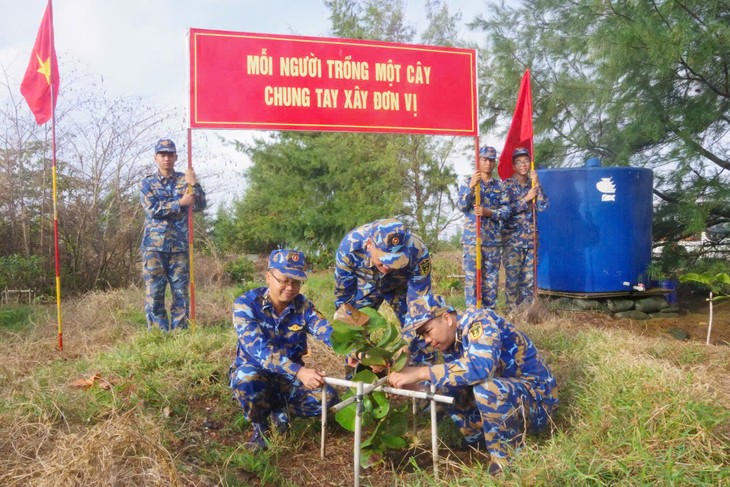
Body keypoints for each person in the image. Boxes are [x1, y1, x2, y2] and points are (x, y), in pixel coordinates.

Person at [388, 294, 558, 474]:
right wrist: (414, 387)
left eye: (427, 331)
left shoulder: (479, 322)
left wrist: (420, 372)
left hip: (538, 400)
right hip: (512, 395)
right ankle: (479, 440)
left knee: (486, 389)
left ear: (446, 318)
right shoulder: (450, 339)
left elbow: (481, 367)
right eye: (422, 335)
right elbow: (454, 376)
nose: (426, 340)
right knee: (445, 384)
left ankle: (506, 459)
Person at [229, 249, 339, 450]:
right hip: (257, 375)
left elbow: (326, 331)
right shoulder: (246, 305)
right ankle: (261, 427)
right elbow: (261, 352)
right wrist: (300, 372)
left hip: (287, 380)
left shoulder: (303, 306)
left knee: (328, 397)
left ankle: (280, 411)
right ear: (269, 277)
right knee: (246, 380)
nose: (290, 287)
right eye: (285, 280)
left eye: (296, 282)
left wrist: (352, 350)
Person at [140, 138, 206, 331]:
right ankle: (158, 333)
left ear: (176, 157)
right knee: (155, 292)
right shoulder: (148, 183)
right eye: (162, 155)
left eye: (170, 154)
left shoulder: (184, 181)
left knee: (180, 293)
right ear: (156, 158)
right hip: (154, 247)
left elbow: (201, 205)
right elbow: (152, 209)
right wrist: (180, 203)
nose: (166, 158)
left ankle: (180, 333)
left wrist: (195, 184)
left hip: (179, 247)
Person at [334, 218, 432, 328]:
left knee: (420, 325)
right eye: (383, 259)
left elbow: (420, 298)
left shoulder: (417, 250)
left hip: (400, 285)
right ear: (369, 244)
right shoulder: (349, 247)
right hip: (367, 284)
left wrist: (416, 328)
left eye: (394, 261)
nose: (387, 267)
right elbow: (344, 296)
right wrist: (347, 321)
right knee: (355, 326)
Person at [457, 146, 509, 308]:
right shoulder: (468, 183)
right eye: (484, 159)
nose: (488, 163)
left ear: (494, 163)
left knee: (491, 280)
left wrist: (489, 213)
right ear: (478, 161)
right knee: (472, 279)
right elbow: (461, 206)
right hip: (473, 241)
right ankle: (472, 314)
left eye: (491, 160)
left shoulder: (500, 187)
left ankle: (489, 314)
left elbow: (507, 211)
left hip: (492, 241)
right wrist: (471, 186)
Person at [502, 147, 549, 309]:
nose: (523, 165)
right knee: (513, 279)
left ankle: (527, 312)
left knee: (529, 280)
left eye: (526, 161)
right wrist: (526, 199)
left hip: (531, 240)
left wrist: (538, 184)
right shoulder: (506, 185)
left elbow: (543, 206)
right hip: (512, 241)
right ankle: (512, 312)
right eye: (519, 162)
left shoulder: (533, 184)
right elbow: (505, 211)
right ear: (514, 166)